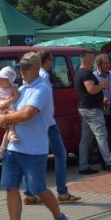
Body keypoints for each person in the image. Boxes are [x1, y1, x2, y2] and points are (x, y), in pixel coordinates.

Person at [0, 52, 69, 220]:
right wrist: (5, 115)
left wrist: (5, 118)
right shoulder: (23, 89)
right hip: (14, 148)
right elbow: (13, 112)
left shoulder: (42, 89)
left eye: (26, 67)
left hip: (35, 150)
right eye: (20, 67)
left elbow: (27, 114)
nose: (22, 71)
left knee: (38, 189)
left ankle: (59, 218)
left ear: (37, 68)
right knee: (10, 187)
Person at [23, 50, 79, 204]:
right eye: (51, 60)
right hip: (47, 123)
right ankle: (62, 192)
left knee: (31, 155)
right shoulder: (43, 76)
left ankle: (29, 193)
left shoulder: (28, 77)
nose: (52, 63)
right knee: (60, 154)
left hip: (36, 122)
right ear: (45, 61)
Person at [75, 51, 111, 174]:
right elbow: (91, 89)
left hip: (85, 108)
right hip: (92, 109)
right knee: (101, 135)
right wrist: (101, 85)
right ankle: (110, 163)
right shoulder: (86, 73)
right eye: (92, 60)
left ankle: (83, 166)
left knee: (85, 138)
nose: (94, 63)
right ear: (88, 60)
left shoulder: (78, 72)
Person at [0, 67, 19, 159]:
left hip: (8, 107)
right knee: (12, 116)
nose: (1, 81)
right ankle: (11, 132)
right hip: (0, 110)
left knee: (8, 126)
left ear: (9, 81)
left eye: (3, 79)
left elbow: (17, 96)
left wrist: (8, 101)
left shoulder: (12, 88)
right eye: (0, 79)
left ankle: (2, 147)